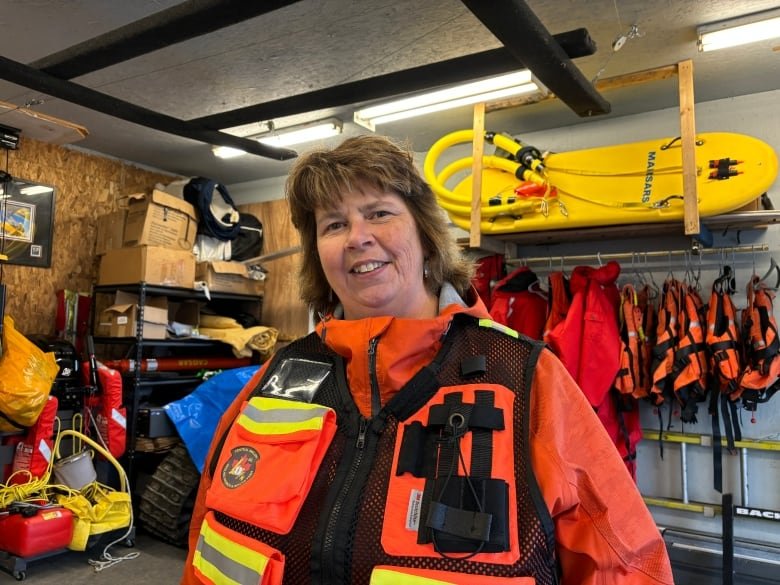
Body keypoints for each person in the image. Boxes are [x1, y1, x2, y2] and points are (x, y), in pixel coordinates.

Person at [182, 135, 674, 585]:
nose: (356, 236)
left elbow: (626, 563)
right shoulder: (277, 376)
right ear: (318, 253)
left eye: (378, 213)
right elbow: (207, 538)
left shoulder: (524, 375)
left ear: (424, 233)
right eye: (334, 224)